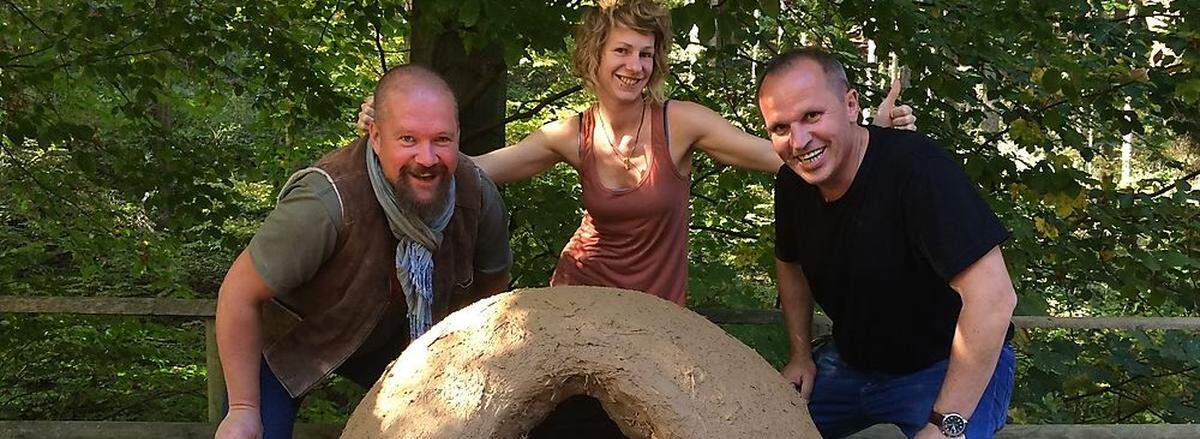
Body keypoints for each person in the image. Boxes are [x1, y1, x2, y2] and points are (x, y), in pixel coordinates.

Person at [359, 0, 915, 305]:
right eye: (621, 50)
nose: (634, 65)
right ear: (595, 58)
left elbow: (785, 154)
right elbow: (475, 170)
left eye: (646, 54)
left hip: (657, 314)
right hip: (579, 298)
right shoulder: (570, 135)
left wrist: (861, 132)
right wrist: (405, 142)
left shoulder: (682, 124)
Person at [756, 48, 1018, 439]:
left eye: (812, 116)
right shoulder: (792, 185)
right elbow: (789, 264)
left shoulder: (918, 171)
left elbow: (993, 299)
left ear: (850, 105)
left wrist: (947, 427)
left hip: (947, 366)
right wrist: (800, 354)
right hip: (851, 363)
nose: (800, 140)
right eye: (781, 127)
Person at [211, 65, 512, 439]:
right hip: (290, 344)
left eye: (441, 140)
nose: (426, 158)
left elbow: (492, 295)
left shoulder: (478, 197)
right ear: (375, 136)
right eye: (408, 139)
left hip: (409, 343)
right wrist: (240, 410)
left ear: (458, 137)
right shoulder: (325, 201)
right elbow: (238, 292)